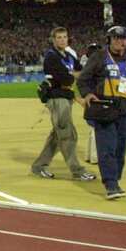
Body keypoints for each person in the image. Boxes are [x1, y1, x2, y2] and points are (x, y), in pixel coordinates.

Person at [78, 25, 126, 200]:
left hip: (125, 110)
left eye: (123, 39)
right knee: (107, 148)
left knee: (121, 149)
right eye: (116, 38)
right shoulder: (99, 57)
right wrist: (87, 94)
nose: (120, 42)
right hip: (105, 108)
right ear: (109, 40)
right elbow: (83, 79)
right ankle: (111, 184)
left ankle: (115, 179)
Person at [31, 27, 95, 181]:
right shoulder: (51, 57)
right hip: (57, 99)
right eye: (59, 37)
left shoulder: (69, 56)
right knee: (68, 136)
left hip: (65, 98)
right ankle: (77, 170)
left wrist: (73, 76)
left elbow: (81, 73)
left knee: (57, 136)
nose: (62, 40)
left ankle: (39, 166)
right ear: (53, 39)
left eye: (64, 37)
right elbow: (66, 80)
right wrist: (73, 75)